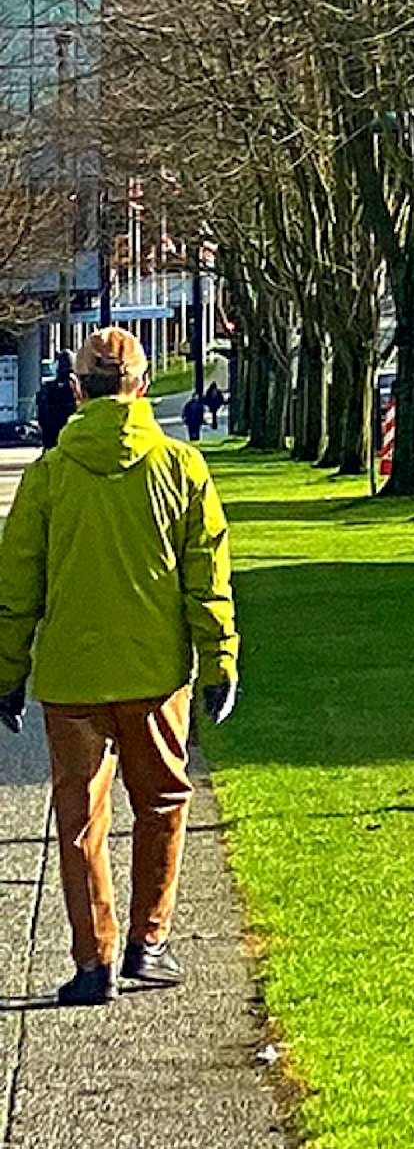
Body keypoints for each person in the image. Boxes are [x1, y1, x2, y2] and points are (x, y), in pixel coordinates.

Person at [0, 332, 236, 1002]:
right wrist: (219, 659)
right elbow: (207, 575)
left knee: (79, 820)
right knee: (162, 801)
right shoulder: (182, 467)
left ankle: (92, 961)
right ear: (141, 386)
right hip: (157, 673)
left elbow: (17, 588)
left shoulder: (49, 477)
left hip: (73, 676)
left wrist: (7, 671)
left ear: (78, 390)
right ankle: (148, 942)